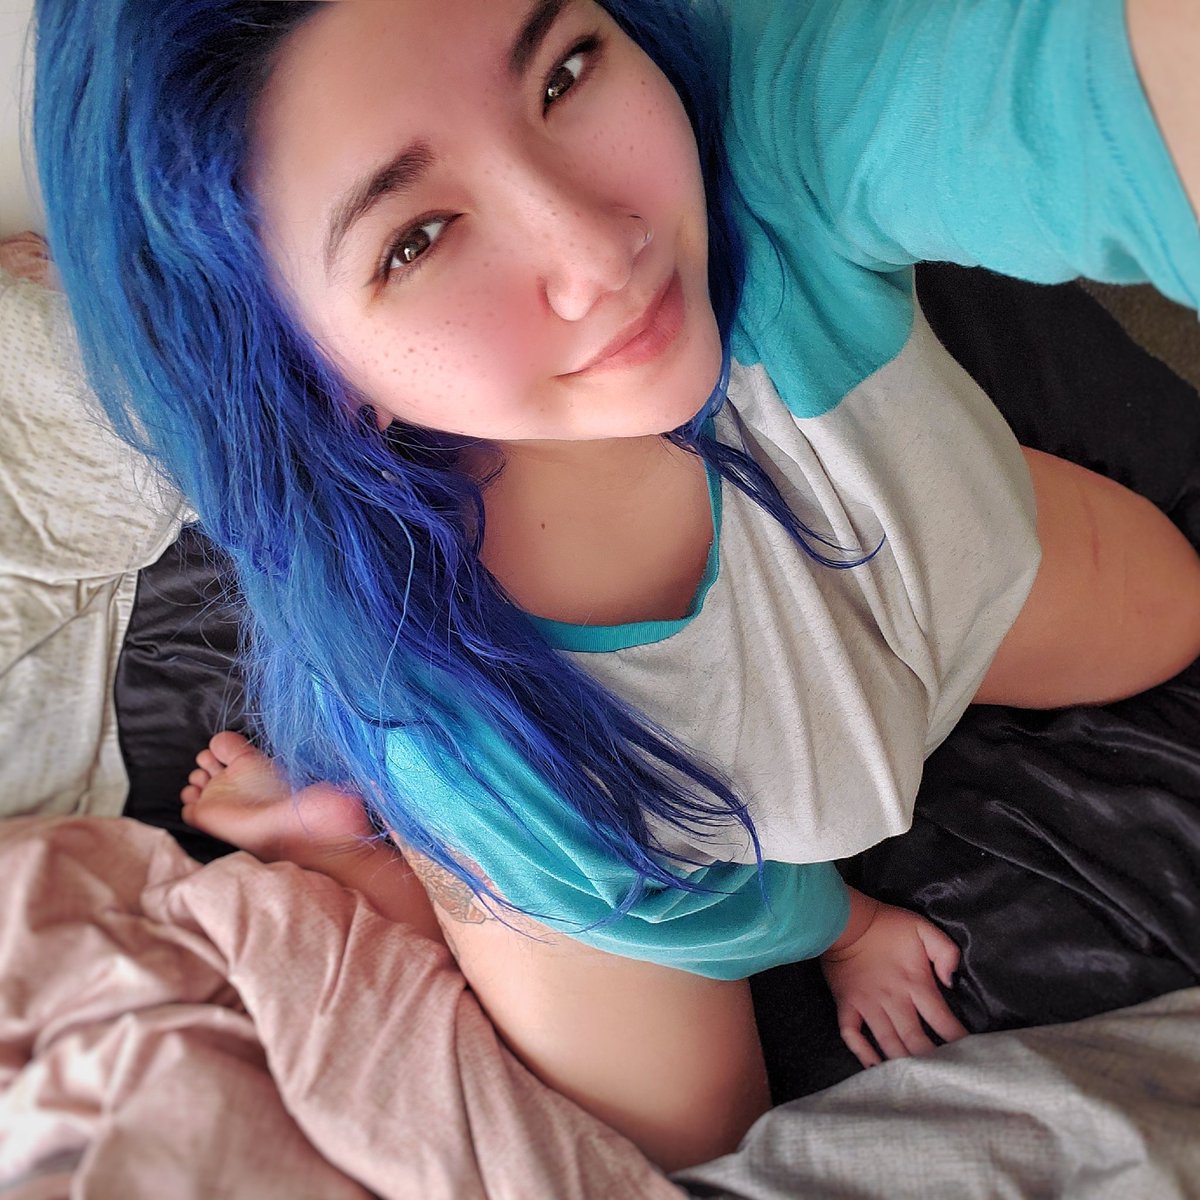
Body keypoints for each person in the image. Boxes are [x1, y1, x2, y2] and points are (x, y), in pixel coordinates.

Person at [34, 0, 1200, 1172]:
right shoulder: (450, 720)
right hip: (607, 851)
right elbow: (677, 909)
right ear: (307, 369)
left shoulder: (767, 145)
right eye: (417, 239)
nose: (602, 253)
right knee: (671, 1148)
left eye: (565, 72)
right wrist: (844, 927)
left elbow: (1068, 82)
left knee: (1173, 609)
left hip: (919, 612)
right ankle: (361, 860)